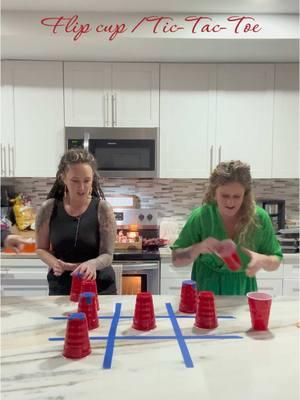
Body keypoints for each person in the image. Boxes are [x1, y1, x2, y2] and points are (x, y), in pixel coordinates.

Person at [171, 160, 282, 295]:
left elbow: (275, 260)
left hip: (243, 295)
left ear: (245, 195)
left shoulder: (259, 218)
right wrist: (198, 248)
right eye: (225, 195)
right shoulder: (201, 217)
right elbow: (176, 260)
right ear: (214, 192)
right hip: (205, 295)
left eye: (237, 196)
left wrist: (264, 260)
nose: (230, 202)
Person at [35, 149, 117, 295]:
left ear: (93, 179)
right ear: (63, 178)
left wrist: (92, 264)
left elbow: (108, 255)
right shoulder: (48, 208)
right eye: (75, 181)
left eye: (87, 180)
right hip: (62, 286)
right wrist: (54, 263)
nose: (82, 188)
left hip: (99, 287)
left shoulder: (103, 209)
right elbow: (41, 248)